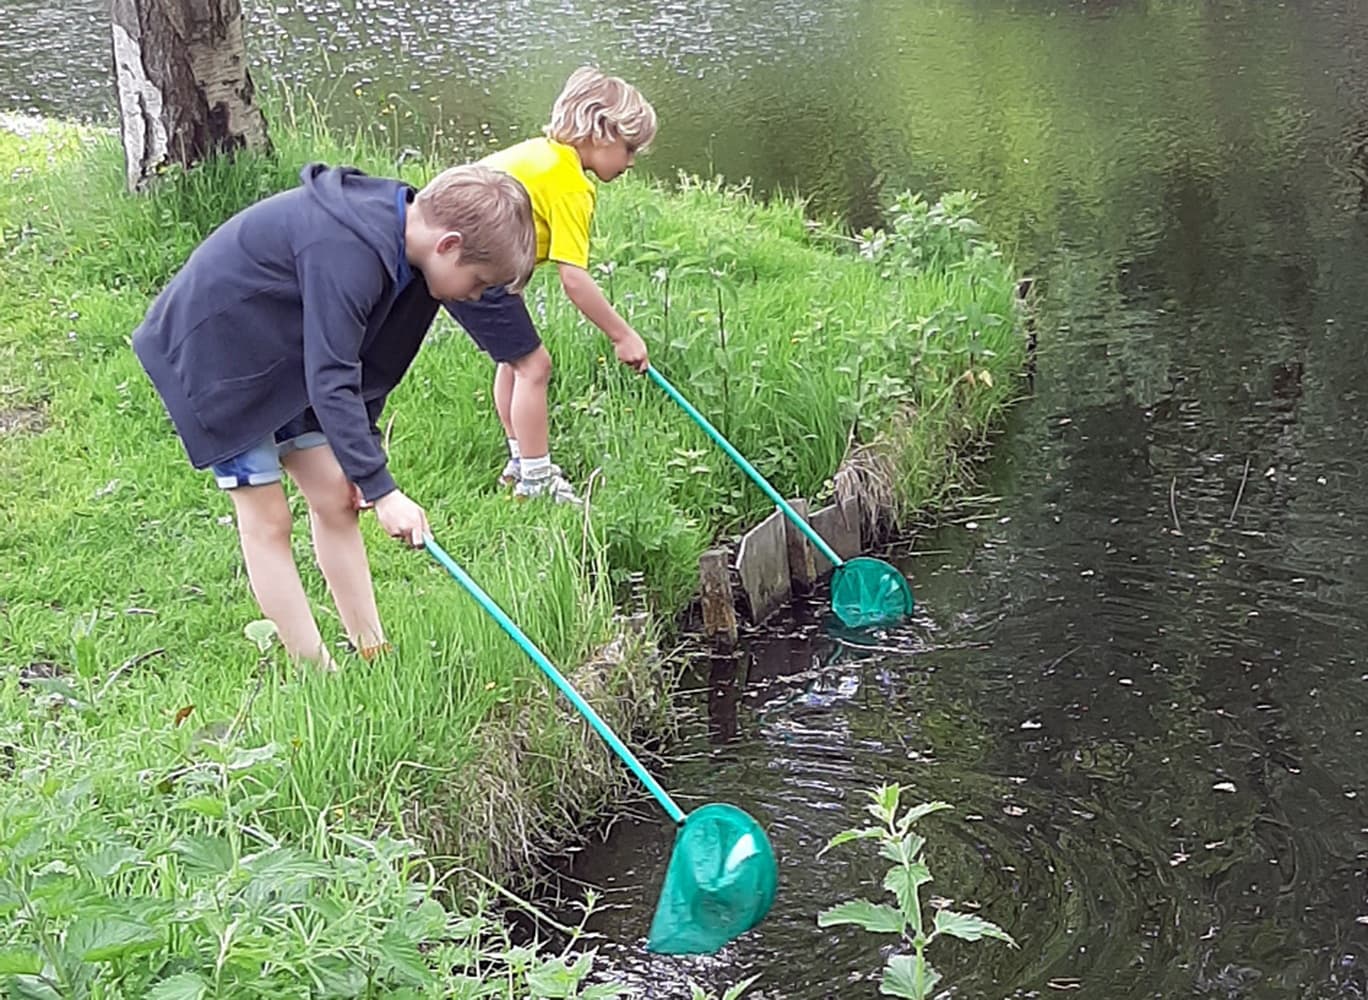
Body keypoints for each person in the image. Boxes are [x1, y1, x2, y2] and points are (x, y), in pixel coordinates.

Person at [133, 162, 535, 667]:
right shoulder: (346, 250)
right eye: (478, 283)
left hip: (288, 354)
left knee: (337, 496)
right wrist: (385, 492)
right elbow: (331, 375)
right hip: (217, 358)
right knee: (269, 519)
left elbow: (369, 363)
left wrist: (365, 465)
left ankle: (372, 651)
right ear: (449, 244)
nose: (475, 296)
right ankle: (316, 670)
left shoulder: (414, 259)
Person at [448, 66, 658, 504]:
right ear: (600, 131)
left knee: (513, 360)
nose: (632, 161)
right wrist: (623, 335)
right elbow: (574, 279)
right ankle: (538, 481)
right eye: (629, 147)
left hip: (452, 253)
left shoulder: (541, 154)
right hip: (466, 265)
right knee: (533, 366)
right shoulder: (570, 185)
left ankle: (521, 463)